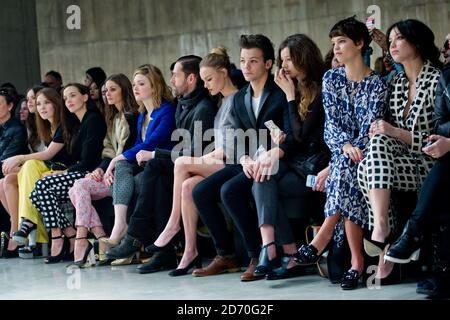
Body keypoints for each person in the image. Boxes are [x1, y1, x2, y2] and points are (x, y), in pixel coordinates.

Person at [191, 34, 294, 281]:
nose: (246, 67)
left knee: (229, 191)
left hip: (277, 159)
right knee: (200, 191)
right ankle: (225, 254)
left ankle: (254, 253)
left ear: (268, 63)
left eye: (253, 61)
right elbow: (237, 140)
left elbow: (290, 135)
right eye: (243, 61)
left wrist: (268, 154)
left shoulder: (280, 94)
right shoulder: (240, 98)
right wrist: (246, 159)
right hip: (247, 161)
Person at [294, 17, 387, 290]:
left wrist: (350, 149)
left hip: (371, 157)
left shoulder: (377, 84)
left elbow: (372, 126)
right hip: (344, 155)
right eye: (334, 43)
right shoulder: (331, 79)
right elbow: (331, 125)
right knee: (345, 169)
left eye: (342, 42)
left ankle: (321, 239)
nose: (335, 48)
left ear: (359, 44)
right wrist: (345, 147)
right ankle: (357, 262)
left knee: (343, 169)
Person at [106, 56, 216, 272]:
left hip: (194, 165)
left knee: (153, 171)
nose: (172, 80)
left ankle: (136, 236)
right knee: (141, 174)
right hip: (174, 164)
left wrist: (154, 155)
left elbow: (191, 151)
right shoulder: (182, 106)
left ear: (191, 79)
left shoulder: (190, 108)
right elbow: (145, 146)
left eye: (175, 75)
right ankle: (157, 249)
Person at [357, 19, 442, 284]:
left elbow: (436, 140)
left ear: (417, 43)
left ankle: (383, 233)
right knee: (376, 145)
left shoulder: (437, 80)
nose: (392, 45)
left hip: (430, 162)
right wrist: (380, 130)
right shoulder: (396, 83)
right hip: (402, 161)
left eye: (399, 39)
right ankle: (383, 227)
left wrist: (396, 132)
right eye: (390, 40)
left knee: (365, 168)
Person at [144, 47, 238, 276]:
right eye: (205, 80)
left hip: (236, 163)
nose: (206, 86)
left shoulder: (233, 100)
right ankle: (190, 250)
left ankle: (173, 224)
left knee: (182, 163)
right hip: (221, 159)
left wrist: (209, 155)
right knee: (187, 186)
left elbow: (235, 144)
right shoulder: (219, 101)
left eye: (209, 79)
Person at [249, 34, 329, 280]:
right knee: (262, 176)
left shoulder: (322, 88)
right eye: (282, 60)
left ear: (303, 58)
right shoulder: (291, 88)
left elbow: (303, 135)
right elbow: (292, 135)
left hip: (316, 167)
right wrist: (279, 141)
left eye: (288, 60)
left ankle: (276, 251)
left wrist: (290, 97)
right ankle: (275, 248)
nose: (283, 66)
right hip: (296, 163)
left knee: (263, 183)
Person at [29, 83, 107, 263]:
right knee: (36, 195)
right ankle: (69, 234)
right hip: (80, 173)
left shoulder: (93, 119)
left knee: (42, 186)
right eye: (65, 98)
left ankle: (60, 237)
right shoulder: (77, 124)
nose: (68, 101)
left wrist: (59, 173)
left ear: (85, 97)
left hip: (91, 173)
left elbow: (87, 161)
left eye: (72, 95)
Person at [67, 74, 139, 267]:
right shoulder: (113, 118)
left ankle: (83, 239)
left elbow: (128, 153)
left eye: (113, 89)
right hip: (111, 173)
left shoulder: (133, 117)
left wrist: (109, 169)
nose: (107, 93)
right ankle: (100, 236)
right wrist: (100, 169)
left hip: (124, 175)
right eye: (105, 90)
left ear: (124, 89)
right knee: (76, 187)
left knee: (78, 186)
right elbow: (108, 151)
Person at [0, 88, 68, 257]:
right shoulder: (45, 126)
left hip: (62, 169)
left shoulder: (63, 124)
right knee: (5, 181)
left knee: (28, 166)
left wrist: (20, 158)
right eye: (39, 103)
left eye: (46, 102)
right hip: (49, 167)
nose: (41, 107)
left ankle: (27, 228)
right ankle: (17, 228)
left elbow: (48, 155)